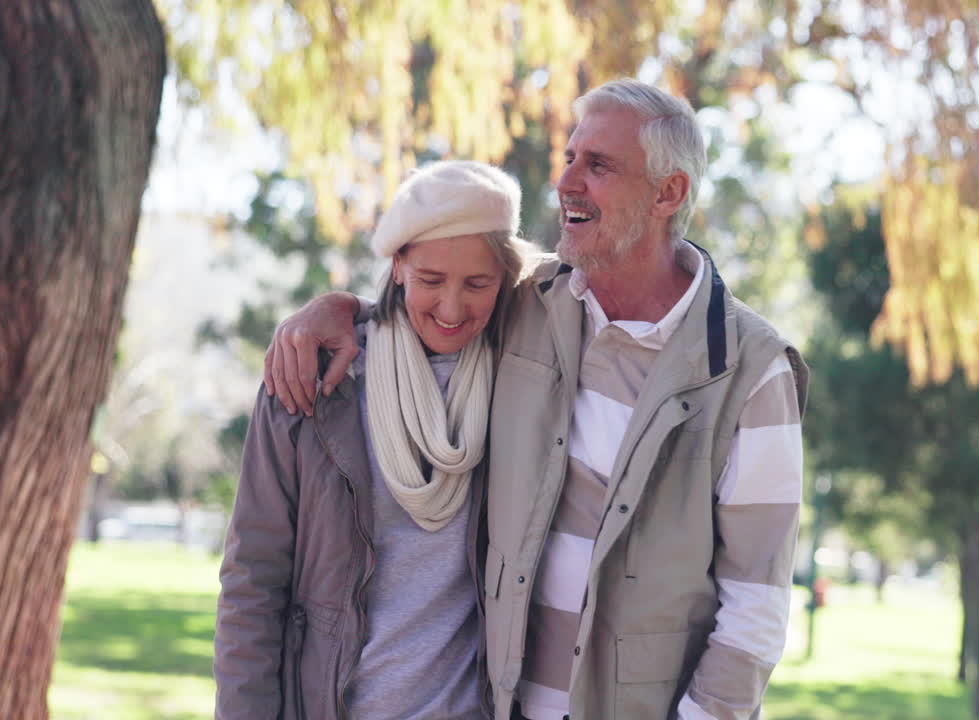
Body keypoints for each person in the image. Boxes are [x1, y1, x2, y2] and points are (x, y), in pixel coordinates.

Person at [265, 79, 809, 720]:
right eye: (570, 158)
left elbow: (754, 609)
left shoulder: (750, 371)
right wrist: (339, 310)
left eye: (599, 166)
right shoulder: (532, 302)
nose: (568, 182)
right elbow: (441, 299)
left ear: (669, 193)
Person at [214, 160, 533, 720]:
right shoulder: (312, 379)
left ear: (505, 280)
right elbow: (252, 584)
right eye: (431, 280)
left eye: (477, 283)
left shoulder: (525, 379)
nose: (452, 308)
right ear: (398, 264)